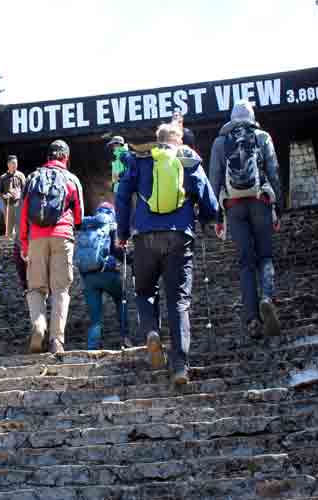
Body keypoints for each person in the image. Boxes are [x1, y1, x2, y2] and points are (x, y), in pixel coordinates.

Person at [116, 123, 219, 385]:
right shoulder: (187, 159)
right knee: (179, 301)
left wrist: (123, 232)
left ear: (157, 140)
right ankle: (180, 367)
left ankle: (151, 332)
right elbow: (207, 198)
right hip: (179, 236)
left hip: (144, 237)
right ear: (179, 141)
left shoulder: (140, 158)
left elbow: (123, 195)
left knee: (144, 292)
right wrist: (207, 219)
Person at [209, 100, 282, 338]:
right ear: (251, 116)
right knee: (266, 256)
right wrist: (277, 207)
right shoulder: (262, 137)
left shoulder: (220, 142)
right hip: (261, 201)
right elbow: (273, 171)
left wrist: (218, 215)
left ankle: (252, 320)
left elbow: (215, 178)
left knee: (245, 263)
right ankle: (267, 298)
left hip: (234, 206)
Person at [20, 139, 84, 354]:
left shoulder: (32, 178)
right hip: (62, 236)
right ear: (66, 157)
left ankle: (39, 325)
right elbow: (79, 216)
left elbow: (23, 213)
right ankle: (57, 341)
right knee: (60, 290)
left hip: (36, 238)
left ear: (47, 157)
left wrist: (24, 242)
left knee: (36, 288)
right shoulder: (71, 179)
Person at [75, 202, 128, 350]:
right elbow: (116, 250)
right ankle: (125, 336)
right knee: (121, 297)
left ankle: (93, 346)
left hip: (88, 276)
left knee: (95, 317)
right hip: (107, 273)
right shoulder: (111, 224)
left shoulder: (87, 224)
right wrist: (130, 259)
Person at [0, 155, 27, 239]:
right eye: (13, 163)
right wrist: (4, 196)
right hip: (8, 205)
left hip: (18, 205)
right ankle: (10, 249)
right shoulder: (3, 177)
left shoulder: (20, 175)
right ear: (8, 164)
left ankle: (21, 248)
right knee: (9, 228)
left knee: (20, 227)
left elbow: (25, 191)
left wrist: (19, 195)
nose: (15, 165)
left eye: (16, 163)